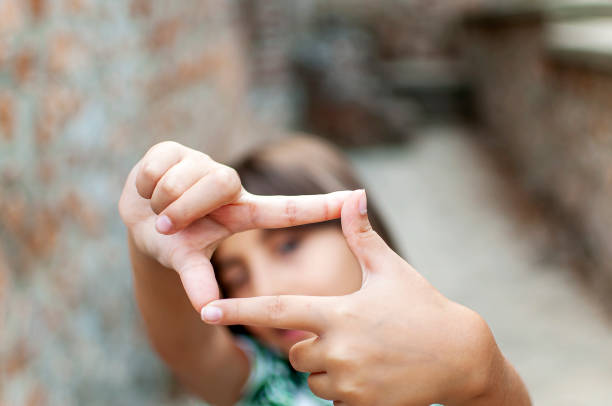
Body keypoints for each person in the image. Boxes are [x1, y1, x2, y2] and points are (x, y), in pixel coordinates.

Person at [118, 136, 531, 406]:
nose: (264, 288)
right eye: (237, 276)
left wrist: (487, 377)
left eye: (289, 245)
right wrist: (150, 244)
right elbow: (188, 348)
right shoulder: (265, 381)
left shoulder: (441, 363)